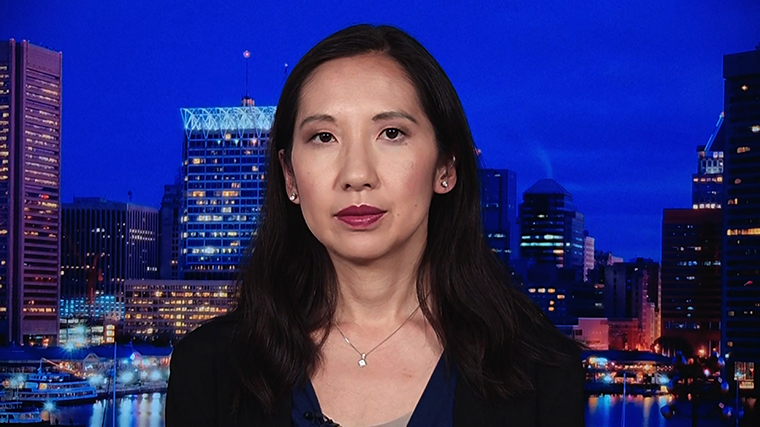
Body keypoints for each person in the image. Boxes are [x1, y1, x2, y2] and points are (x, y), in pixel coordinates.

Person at [166, 24, 584, 427]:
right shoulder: (209, 368)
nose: (357, 174)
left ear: (446, 167)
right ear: (289, 176)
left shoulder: (540, 370)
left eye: (391, 133)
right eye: (324, 137)